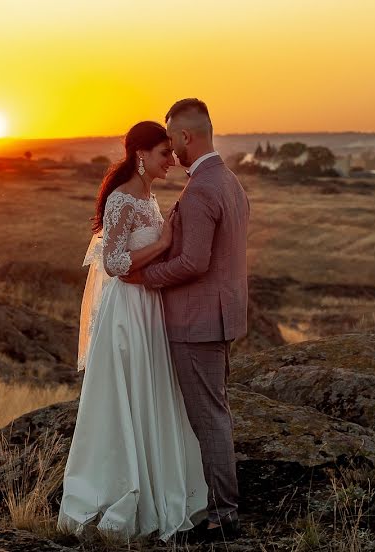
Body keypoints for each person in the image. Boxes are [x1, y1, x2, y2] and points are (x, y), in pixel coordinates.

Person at [57, 121, 208, 541]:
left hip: (149, 306)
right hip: (127, 310)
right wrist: (162, 244)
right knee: (128, 392)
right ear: (141, 154)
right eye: (164, 153)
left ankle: (160, 486)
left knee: (153, 391)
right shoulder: (121, 199)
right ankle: (122, 489)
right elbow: (115, 264)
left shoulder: (148, 196)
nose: (171, 161)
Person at [123, 98, 250, 542]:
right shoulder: (229, 181)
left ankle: (221, 517)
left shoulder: (200, 189)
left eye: (174, 137)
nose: (171, 148)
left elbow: (194, 262)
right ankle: (218, 507)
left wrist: (144, 278)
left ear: (187, 136)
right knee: (215, 412)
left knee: (209, 418)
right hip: (220, 316)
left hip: (197, 322)